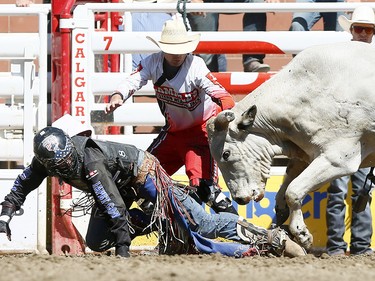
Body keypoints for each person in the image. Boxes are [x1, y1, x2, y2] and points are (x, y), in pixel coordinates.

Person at [0, 126, 306, 258]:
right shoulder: (44, 164)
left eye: (67, 157)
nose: (65, 164)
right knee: (96, 240)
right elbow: (21, 185)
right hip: (121, 185)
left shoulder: (90, 160)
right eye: (58, 162)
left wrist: (122, 251)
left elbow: (112, 204)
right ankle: (157, 219)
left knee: (201, 224)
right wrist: (6, 213)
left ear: (70, 148)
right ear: (46, 162)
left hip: (142, 174)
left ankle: (267, 237)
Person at [105, 18, 238, 215]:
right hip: (173, 133)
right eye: (171, 49)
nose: (177, 54)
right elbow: (134, 79)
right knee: (139, 176)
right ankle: (164, 220)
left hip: (200, 135)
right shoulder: (152, 62)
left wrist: (226, 113)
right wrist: (118, 95)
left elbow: (220, 94)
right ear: (162, 48)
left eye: (181, 49)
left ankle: (242, 234)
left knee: (206, 189)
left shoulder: (196, 66)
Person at [325, 5, 374, 256]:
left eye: (368, 29)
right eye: (359, 28)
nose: (363, 33)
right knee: (340, 191)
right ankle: (338, 246)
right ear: (352, 31)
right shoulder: (339, 59)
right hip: (343, 134)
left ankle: (357, 246)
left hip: (364, 135)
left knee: (362, 190)